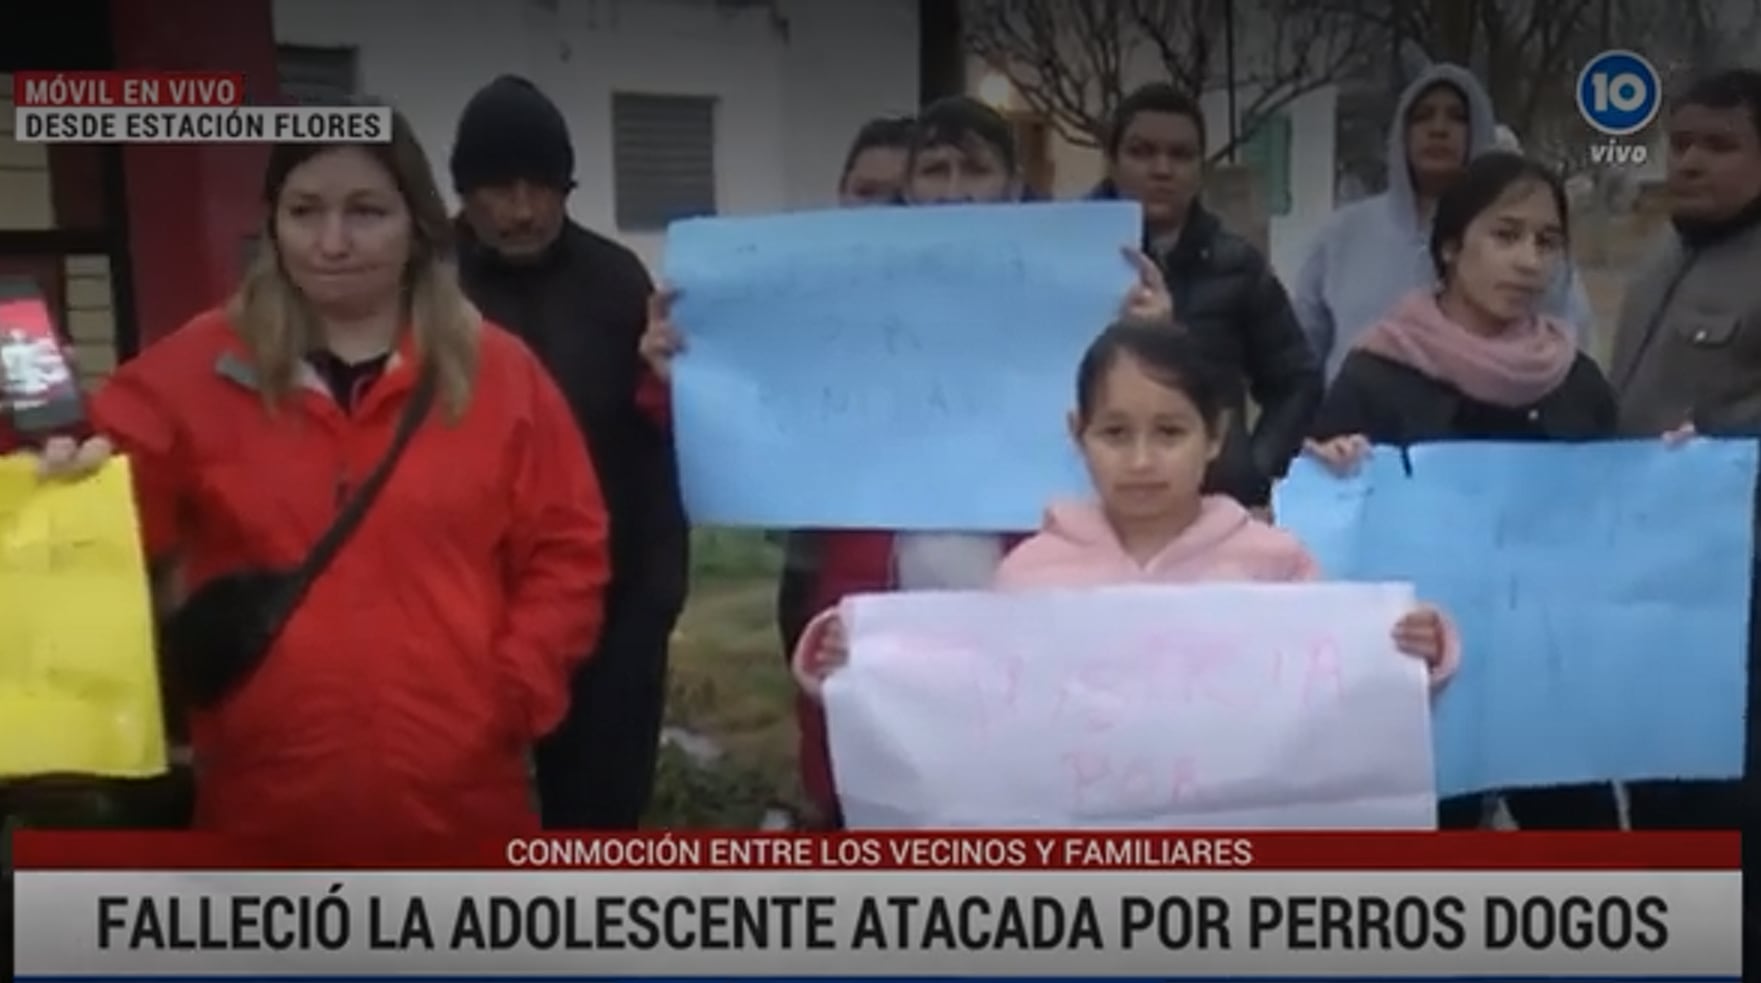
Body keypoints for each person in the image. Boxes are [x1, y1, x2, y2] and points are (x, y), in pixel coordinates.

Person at [31, 110, 611, 853]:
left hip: (460, 805)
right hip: (262, 804)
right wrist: (54, 458)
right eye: (304, 211)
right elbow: (98, 536)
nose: (332, 242)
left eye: (365, 211)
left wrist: (511, 691)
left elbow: (569, 548)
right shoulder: (187, 374)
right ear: (272, 224)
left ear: (419, 225)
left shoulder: (500, 374)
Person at [639, 96, 1172, 828]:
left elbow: (1155, 439)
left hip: (1029, 605)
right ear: (908, 188)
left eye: (975, 168)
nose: (954, 188)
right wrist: (681, 378)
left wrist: (1154, 345)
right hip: (877, 609)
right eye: (936, 168)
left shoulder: (1086, 291)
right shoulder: (845, 299)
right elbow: (767, 409)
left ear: (1014, 185)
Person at [790, 322, 1459, 818]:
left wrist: (1411, 658)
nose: (1141, 460)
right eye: (1115, 433)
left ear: (1215, 435)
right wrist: (857, 665)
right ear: (1076, 433)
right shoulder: (1028, 572)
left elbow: (1338, 703)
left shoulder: (1273, 562)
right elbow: (957, 706)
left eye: (1169, 433)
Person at [1303, 151, 1621, 829]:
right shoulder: (1377, 372)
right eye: (1504, 236)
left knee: (1582, 862)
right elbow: (1325, 530)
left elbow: (1612, 521)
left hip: (1548, 683)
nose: (1529, 260)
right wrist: (1328, 465)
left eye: (1546, 241)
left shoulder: (1575, 379)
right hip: (1418, 684)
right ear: (1450, 248)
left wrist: (1666, 469)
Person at [449, 75, 688, 830]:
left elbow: (658, 436)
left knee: (599, 816)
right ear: (463, 192)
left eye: (541, 187)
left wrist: (655, 596)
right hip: (462, 603)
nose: (521, 210)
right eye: (499, 189)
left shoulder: (616, 279)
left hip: (614, 601)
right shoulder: (423, 284)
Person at [1609, 68, 1761, 833]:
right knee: (1656, 789)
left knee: (1727, 806)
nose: (1691, 162)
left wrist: (1718, 449)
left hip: (1736, 594)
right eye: (1680, 143)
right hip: (1648, 579)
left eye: (1720, 144)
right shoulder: (1659, 257)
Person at [1089, 82, 1321, 514]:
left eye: (1180, 155)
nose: (1162, 168)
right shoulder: (1064, 253)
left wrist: (1254, 469)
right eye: (1142, 152)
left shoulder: (1237, 264)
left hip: (1210, 506)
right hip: (1083, 498)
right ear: (1113, 161)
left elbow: (1296, 380)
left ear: (1200, 167)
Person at [1293, 63, 1594, 381]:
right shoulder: (1343, 236)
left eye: (1457, 117)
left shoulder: (1528, 243)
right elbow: (1301, 358)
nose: (1438, 129)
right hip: (1359, 423)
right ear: (1401, 133)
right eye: (1423, 116)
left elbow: (1571, 346)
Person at [775, 114, 917, 659]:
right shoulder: (800, 293)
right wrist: (678, 374)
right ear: (841, 194)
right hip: (816, 552)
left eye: (897, 197)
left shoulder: (965, 307)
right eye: (866, 192)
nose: (878, 211)